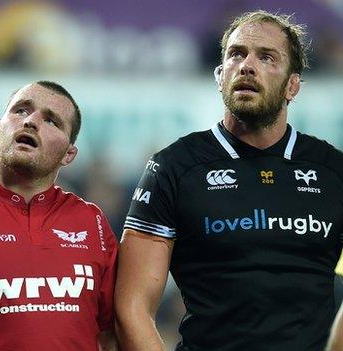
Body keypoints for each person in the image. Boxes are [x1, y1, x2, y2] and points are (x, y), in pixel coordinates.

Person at [115, 10, 343, 351]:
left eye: (266, 57)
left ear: (292, 86)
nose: (247, 66)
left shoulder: (333, 171)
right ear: (220, 76)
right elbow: (131, 307)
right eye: (237, 54)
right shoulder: (173, 168)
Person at [0, 81, 118, 350]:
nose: (31, 121)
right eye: (21, 110)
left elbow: (110, 335)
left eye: (51, 120)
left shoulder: (91, 221)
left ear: (69, 155)